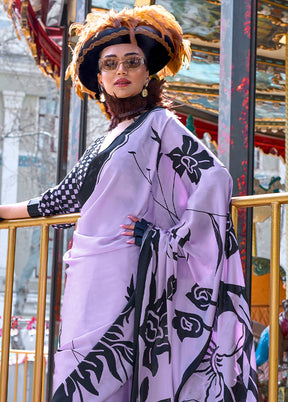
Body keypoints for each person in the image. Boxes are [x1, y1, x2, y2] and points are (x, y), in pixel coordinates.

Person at [0, 5, 257, 401]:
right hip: (86, 271)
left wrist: (168, 239)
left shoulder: (160, 124)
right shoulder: (106, 138)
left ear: (147, 73)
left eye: (132, 62)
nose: (121, 70)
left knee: (108, 379)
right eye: (111, 64)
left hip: (127, 268)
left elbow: (213, 177)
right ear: (99, 78)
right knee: (76, 372)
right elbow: (63, 200)